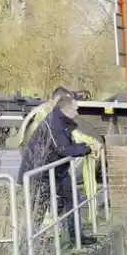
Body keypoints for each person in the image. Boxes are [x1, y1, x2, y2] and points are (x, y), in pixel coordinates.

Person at [19, 94, 96, 244]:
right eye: (76, 110)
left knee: (72, 198)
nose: (78, 113)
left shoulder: (62, 121)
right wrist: (87, 148)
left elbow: (69, 143)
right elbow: (63, 149)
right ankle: (27, 244)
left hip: (56, 170)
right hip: (40, 172)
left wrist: (86, 146)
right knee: (39, 208)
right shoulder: (54, 123)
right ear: (67, 110)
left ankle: (76, 236)